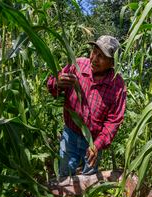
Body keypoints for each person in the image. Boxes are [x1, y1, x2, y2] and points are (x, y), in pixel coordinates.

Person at [47, 35, 127, 177]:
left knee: (88, 179)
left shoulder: (117, 86)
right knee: (65, 174)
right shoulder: (77, 65)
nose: (94, 58)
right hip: (70, 134)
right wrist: (57, 83)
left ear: (112, 63)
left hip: (93, 141)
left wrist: (97, 144)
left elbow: (113, 121)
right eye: (94, 51)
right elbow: (52, 85)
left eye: (101, 56)